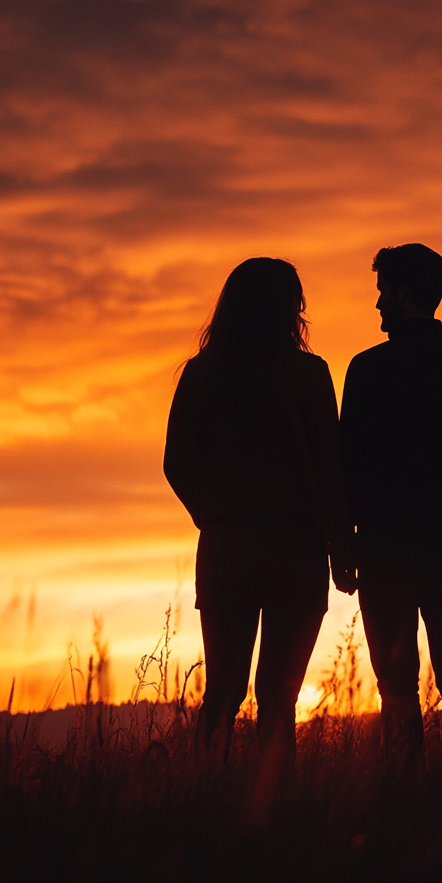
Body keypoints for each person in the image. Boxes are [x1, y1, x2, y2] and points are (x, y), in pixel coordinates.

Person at [164, 257, 355, 778]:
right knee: (277, 698)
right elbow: (328, 466)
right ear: (288, 308)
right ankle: (274, 805)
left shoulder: (203, 374)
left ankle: (203, 799)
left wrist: (215, 515)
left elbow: (175, 463)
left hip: (228, 548)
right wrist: (342, 548)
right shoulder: (309, 374)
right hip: (297, 550)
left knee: (221, 692)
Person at [340, 243, 442, 771]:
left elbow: (347, 465)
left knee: (395, 680)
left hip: (385, 550)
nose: (378, 304)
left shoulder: (366, 371)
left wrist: (349, 542)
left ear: (405, 293)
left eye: (384, 291)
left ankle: (404, 786)